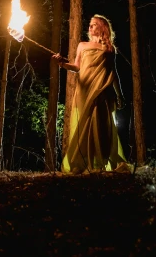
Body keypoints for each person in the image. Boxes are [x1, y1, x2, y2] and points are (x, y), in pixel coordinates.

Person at [52, 14, 129, 174]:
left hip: (102, 90)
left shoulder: (109, 49)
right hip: (84, 90)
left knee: (100, 126)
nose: (90, 26)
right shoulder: (82, 45)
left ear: (102, 28)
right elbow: (77, 67)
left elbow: (113, 73)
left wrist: (119, 94)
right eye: (90, 24)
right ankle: (82, 161)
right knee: (85, 126)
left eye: (94, 24)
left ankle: (99, 163)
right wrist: (62, 63)